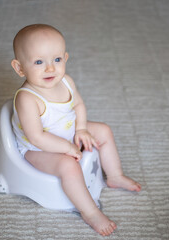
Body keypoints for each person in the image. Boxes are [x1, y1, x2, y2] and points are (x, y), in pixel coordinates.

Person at [10, 24, 141, 236]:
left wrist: (81, 129)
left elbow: (78, 105)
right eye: (39, 62)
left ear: (66, 58)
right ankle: (90, 212)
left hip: (67, 130)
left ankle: (115, 176)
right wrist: (67, 147)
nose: (50, 68)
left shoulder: (67, 82)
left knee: (104, 131)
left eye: (57, 60)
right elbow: (37, 136)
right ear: (19, 68)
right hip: (37, 149)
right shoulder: (27, 99)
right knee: (68, 166)